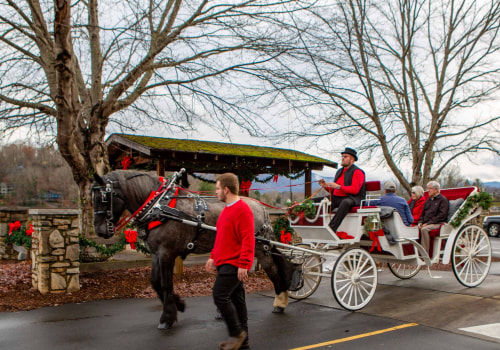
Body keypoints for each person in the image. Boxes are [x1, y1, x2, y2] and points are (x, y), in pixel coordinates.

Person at [205, 173, 255, 350]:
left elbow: (248, 239)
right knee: (237, 300)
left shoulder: (243, 210)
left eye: (218, 188)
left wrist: (244, 264)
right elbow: (221, 237)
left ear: (226, 189)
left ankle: (236, 334)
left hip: (234, 263)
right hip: (224, 261)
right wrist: (213, 255)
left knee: (219, 295)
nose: (216, 191)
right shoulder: (226, 209)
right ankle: (244, 342)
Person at [318, 147, 366, 233]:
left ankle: (331, 229)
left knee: (345, 203)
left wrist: (338, 186)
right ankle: (315, 226)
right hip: (336, 198)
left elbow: (355, 190)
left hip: (352, 198)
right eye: (342, 156)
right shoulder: (339, 171)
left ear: (352, 159)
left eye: (345, 156)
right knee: (317, 201)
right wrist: (325, 186)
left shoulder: (357, 172)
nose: (343, 158)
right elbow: (333, 191)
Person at [418, 181, 449, 253]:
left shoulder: (443, 200)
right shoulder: (428, 200)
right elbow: (422, 214)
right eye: (428, 188)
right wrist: (420, 222)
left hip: (438, 223)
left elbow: (442, 215)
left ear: (436, 189)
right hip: (428, 223)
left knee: (424, 229)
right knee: (415, 228)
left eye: (430, 188)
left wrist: (428, 223)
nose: (428, 190)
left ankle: (425, 252)